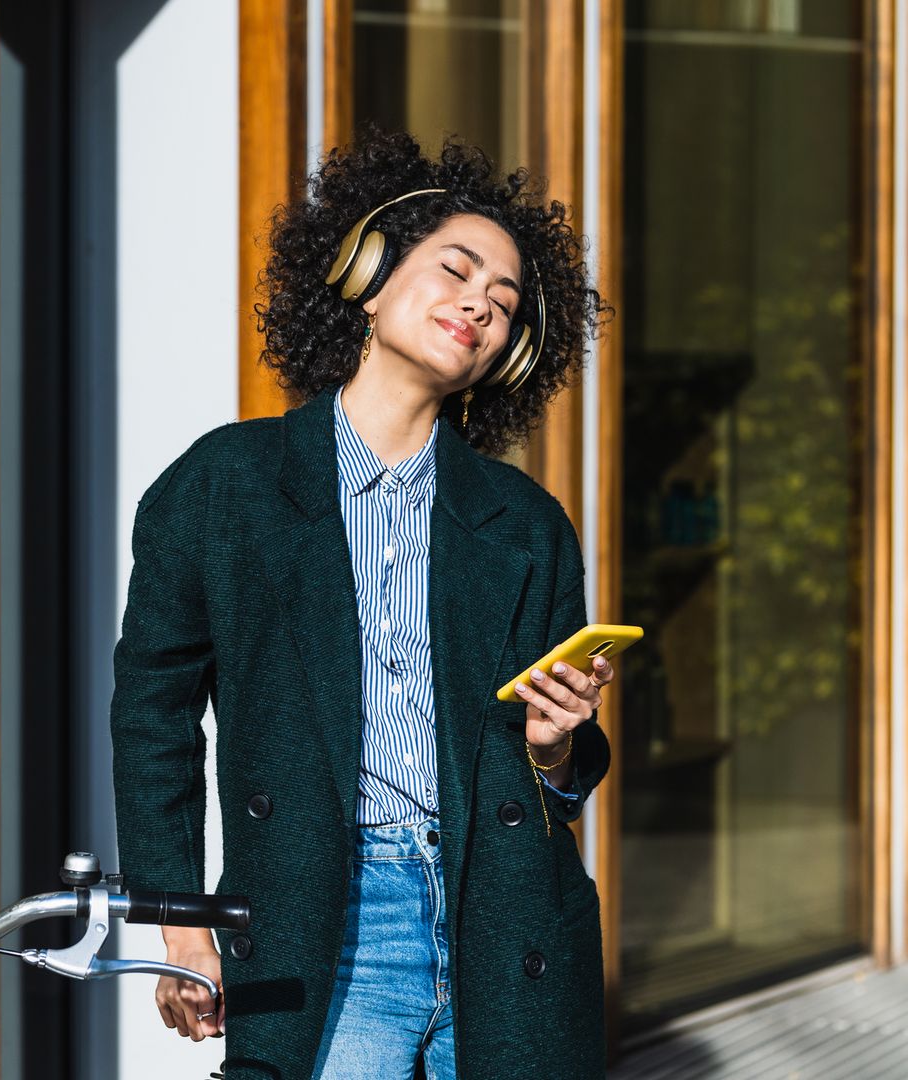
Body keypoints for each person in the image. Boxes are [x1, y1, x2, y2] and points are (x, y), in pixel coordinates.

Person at [110, 127, 614, 1079]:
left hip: (507, 923)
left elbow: (568, 773)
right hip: (324, 918)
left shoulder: (527, 524)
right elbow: (154, 716)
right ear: (368, 278)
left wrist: (556, 749)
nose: (479, 303)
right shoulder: (226, 486)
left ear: (506, 356)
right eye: (456, 270)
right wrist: (178, 921)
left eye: (504, 305)